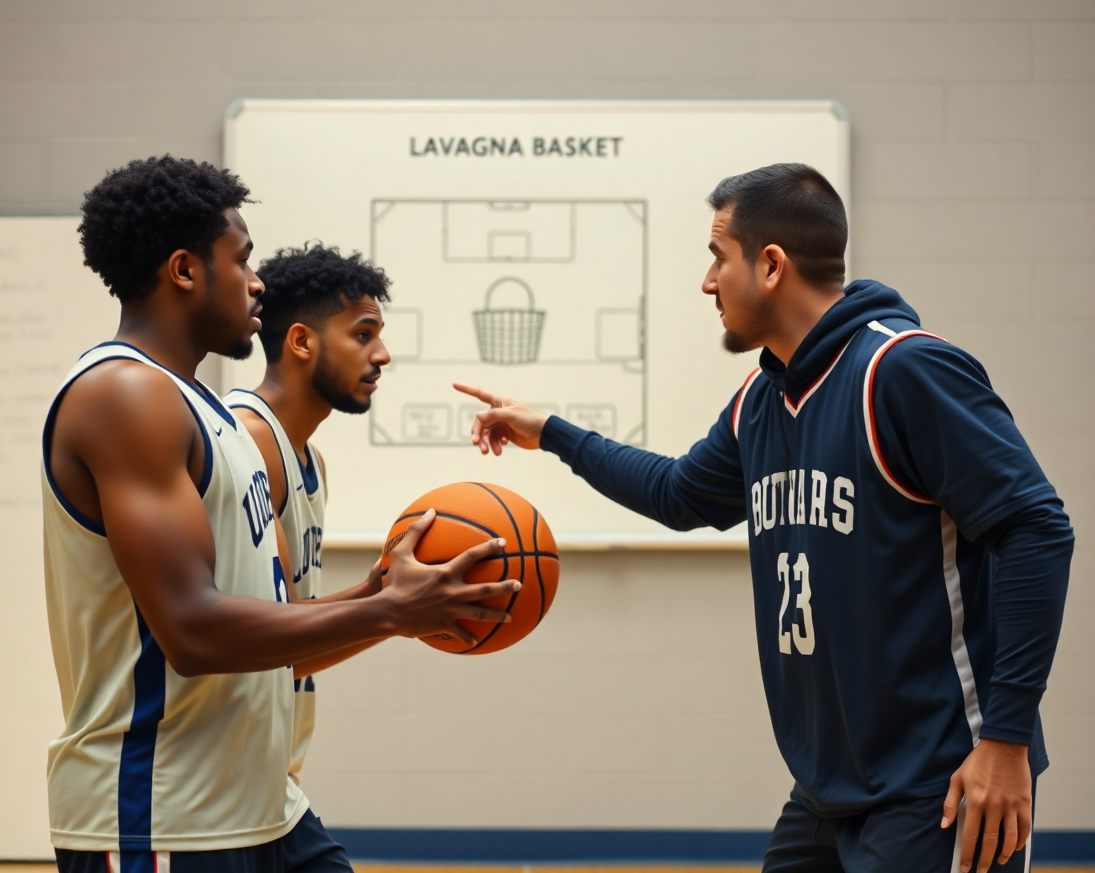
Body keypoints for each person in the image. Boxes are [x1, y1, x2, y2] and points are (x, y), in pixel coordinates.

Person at [455, 163, 1072, 873]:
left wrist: (1006, 740)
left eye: (718, 257)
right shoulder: (761, 399)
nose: (707, 282)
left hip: (939, 781)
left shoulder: (903, 371)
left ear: (771, 265)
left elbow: (1036, 529)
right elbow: (678, 494)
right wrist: (553, 433)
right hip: (826, 788)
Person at [43, 155, 519, 873]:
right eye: (241, 259)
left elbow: (275, 632)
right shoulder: (125, 395)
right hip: (162, 817)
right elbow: (193, 631)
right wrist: (390, 611)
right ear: (184, 271)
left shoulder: (205, 414)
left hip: (262, 807)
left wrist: (381, 595)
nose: (257, 280)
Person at [225, 242, 392, 786]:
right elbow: (269, 645)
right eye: (363, 335)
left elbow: (292, 621)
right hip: (221, 780)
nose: (382, 355)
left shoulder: (309, 458)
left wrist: (381, 592)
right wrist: (395, 609)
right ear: (301, 341)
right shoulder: (249, 442)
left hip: (276, 773)